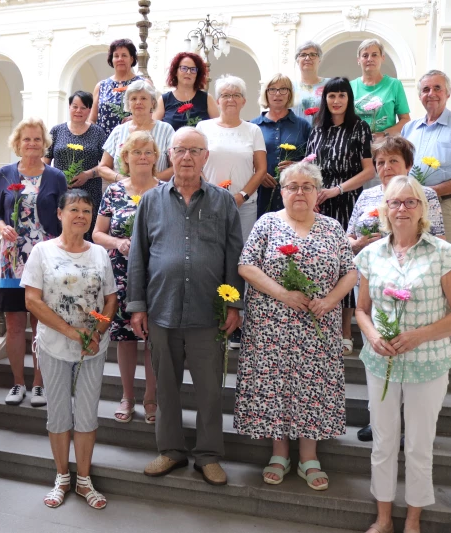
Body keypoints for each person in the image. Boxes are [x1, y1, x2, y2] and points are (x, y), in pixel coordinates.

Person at [126, 127, 245, 486]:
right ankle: (171, 451)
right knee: (166, 386)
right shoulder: (151, 200)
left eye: (196, 150)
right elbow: (138, 255)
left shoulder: (223, 201)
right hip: (162, 308)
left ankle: (208, 456)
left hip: (209, 312)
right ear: (170, 156)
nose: (188, 157)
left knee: (210, 389)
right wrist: (137, 306)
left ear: (206, 156)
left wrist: (235, 305)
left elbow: (234, 254)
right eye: (181, 150)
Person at [354, 176, 451, 533]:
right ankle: (384, 517)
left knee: (419, 446)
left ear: (421, 208)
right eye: (394, 203)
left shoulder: (442, 252)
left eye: (409, 202)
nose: (401, 208)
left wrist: (420, 335)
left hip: (428, 364)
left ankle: (414, 520)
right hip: (381, 364)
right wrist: (372, 336)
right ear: (384, 210)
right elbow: (361, 309)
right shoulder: (370, 254)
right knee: (384, 443)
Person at [236, 162, 357, 490]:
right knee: (276, 385)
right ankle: (279, 453)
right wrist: (283, 294)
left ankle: (309, 457)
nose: (299, 192)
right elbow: (246, 266)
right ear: (282, 192)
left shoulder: (332, 227)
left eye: (307, 186)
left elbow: (351, 271)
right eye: (292, 186)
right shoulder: (267, 224)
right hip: (271, 326)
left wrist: (331, 300)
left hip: (318, 325)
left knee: (312, 388)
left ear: (317, 193)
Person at [21, 189, 118, 510]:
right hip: (54, 345)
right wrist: (73, 332)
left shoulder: (99, 254)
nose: (81, 216)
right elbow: (32, 300)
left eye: (87, 211)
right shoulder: (42, 252)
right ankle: (62, 476)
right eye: (74, 209)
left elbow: (111, 299)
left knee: (87, 414)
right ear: (60, 214)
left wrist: (99, 329)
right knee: (59, 412)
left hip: (93, 347)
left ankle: (84, 480)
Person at [0, 117, 67, 407]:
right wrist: (0, 227)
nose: (32, 144)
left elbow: (65, 214)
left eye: (37, 139)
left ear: (44, 143)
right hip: (12, 258)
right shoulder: (5, 173)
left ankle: (38, 384)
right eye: (27, 139)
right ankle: (17, 383)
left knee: (41, 325)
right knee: (13, 324)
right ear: (18, 143)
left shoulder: (56, 176)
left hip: (45, 258)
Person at [93, 131, 162, 424]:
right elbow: (97, 234)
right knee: (124, 337)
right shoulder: (114, 191)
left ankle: (151, 397)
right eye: (136, 152)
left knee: (154, 338)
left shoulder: (164, 190)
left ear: (156, 158)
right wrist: (118, 243)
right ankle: (127, 395)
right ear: (126, 159)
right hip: (120, 273)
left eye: (148, 152)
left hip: (156, 273)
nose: (142, 157)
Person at [307, 77, 374, 355]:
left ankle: (346, 331)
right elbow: (309, 165)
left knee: (345, 264)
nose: (336, 101)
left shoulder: (359, 128)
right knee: (320, 263)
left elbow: (369, 171)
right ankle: (319, 323)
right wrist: (311, 195)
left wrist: (337, 190)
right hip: (318, 203)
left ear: (349, 99)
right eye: (331, 96)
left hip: (346, 202)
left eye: (342, 96)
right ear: (325, 99)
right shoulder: (317, 128)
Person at [400, 69, 451, 253]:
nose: (431, 94)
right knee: (411, 261)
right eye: (425, 90)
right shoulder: (409, 129)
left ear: (447, 93)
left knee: (445, 266)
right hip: (410, 207)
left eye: (437, 88)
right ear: (420, 95)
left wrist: (432, 192)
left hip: (446, 205)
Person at [197, 74, 267, 242]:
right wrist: (211, 193)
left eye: (236, 95)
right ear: (218, 101)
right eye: (225, 95)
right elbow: (195, 164)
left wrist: (242, 196)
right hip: (208, 202)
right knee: (210, 251)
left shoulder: (253, 130)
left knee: (241, 254)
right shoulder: (203, 127)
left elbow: (261, 169)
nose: (231, 99)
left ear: (244, 101)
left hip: (244, 206)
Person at [347, 136, 445, 255]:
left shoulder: (424, 195)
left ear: (408, 165)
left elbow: (438, 239)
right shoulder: (366, 195)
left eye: (393, 161)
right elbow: (349, 238)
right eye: (381, 162)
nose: (387, 167)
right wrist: (357, 245)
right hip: (367, 266)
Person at [44, 91, 108, 240]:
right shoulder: (56, 131)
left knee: (86, 235)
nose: (78, 111)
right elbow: (44, 162)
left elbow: (106, 165)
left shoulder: (98, 133)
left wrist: (88, 174)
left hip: (90, 193)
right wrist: (58, 178)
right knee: (62, 234)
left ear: (90, 110)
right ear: (69, 107)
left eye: (83, 107)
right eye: (75, 106)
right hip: (61, 192)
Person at [252, 73, 312, 218]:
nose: (277, 94)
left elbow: (313, 160)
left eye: (283, 89)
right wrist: (257, 174)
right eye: (272, 89)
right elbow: (245, 159)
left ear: (290, 94)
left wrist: (297, 166)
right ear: (265, 94)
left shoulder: (303, 126)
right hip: (260, 194)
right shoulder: (253, 126)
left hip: (295, 193)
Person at [98, 80, 175, 182]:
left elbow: (175, 167)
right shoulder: (118, 131)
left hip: (156, 192)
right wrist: (123, 180)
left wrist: (150, 181)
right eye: (133, 99)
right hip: (124, 191)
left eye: (143, 98)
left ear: (152, 103)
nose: (138, 102)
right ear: (128, 104)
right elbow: (103, 167)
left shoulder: (166, 130)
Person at [350, 39, 411, 140]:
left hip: (384, 148)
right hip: (356, 147)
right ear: (358, 60)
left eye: (374, 55)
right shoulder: (350, 86)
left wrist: (384, 134)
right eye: (365, 55)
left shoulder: (394, 85)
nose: (370, 59)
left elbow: (405, 120)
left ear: (382, 58)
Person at [89, 38, 143, 136]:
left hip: (134, 141)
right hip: (105, 144)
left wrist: (137, 118)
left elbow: (153, 114)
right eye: (116, 56)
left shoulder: (142, 84)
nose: (120, 59)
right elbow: (92, 120)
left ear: (132, 58)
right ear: (112, 59)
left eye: (124, 55)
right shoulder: (101, 86)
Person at [153, 52, 219, 130]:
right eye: (184, 68)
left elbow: (218, 127)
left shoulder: (207, 98)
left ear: (197, 74)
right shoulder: (164, 100)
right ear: (175, 72)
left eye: (193, 69)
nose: (188, 72)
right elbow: (154, 129)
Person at [291, 40, 330, 127]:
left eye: (313, 55)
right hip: (297, 137)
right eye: (303, 54)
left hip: (323, 136)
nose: (307, 58)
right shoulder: (290, 87)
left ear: (319, 59)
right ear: (297, 60)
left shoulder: (330, 85)